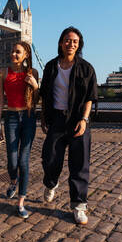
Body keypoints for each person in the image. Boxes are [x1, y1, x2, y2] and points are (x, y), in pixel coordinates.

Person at [39, 26, 97, 225]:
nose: (70, 44)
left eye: (75, 41)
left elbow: (90, 97)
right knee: (50, 157)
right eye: (67, 40)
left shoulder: (86, 68)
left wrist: (84, 120)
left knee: (79, 164)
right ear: (60, 43)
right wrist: (44, 117)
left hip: (78, 120)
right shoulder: (50, 66)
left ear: (79, 45)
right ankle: (50, 183)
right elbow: (45, 94)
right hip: (56, 119)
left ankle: (79, 205)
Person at [0, 42, 39, 218]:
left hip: (28, 118)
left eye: (18, 52)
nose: (14, 54)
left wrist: (36, 86)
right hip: (11, 118)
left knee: (23, 161)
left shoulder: (33, 73)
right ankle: (13, 181)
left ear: (26, 55)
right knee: (12, 161)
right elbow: (0, 99)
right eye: (12, 51)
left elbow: (38, 99)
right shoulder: (3, 73)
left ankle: (21, 202)